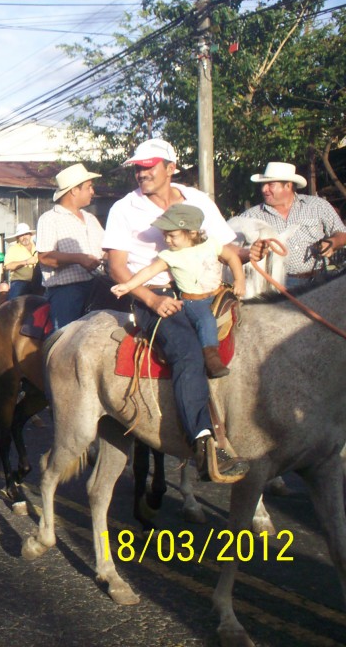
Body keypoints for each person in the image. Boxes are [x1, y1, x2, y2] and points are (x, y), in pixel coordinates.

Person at [102, 138, 249, 483]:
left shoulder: (198, 201)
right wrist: (152, 300)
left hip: (205, 291)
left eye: (149, 166)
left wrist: (248, 254)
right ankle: (203, 441)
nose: (141, 173)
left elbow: (225, 247)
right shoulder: (124, 209)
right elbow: (116, 268)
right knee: (187, 351)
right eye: (137, 168)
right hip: (154, 293)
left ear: (171, 168)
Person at [111, 204, 246, 378]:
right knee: (205, 320)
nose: (167, 240)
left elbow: (232, 257)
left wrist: (239, 279)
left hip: (218, 294)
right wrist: (128, 286)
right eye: (164, 235)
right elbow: (149, 271)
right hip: (193, 301)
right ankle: (211, 357)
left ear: (192, 232)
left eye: (172, 235)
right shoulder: (170, 255)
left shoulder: (211, 244)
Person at [237, 161, 346, 289]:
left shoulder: (317, 206)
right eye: (263, 184)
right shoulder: (251, 217)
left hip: (320, 280)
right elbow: (232, 250)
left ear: (288, 186)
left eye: (270, 184)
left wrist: (332, 242)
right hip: (277, 286)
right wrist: (250, 252)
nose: (264, 189)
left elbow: (342, 234)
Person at [36, 163, 105, 329]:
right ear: (74, 190)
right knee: (65, 340)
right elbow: (44, 257)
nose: (92, 192)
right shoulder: (50, 219)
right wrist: (79, 259)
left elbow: (106, 250)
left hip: (99, 284)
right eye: (89, 187)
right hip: (67, 291)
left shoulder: (91, 219)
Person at [3, 223, 38, 300]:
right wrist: (26, 262)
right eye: (21, 235)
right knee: (13, 303)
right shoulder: (13, 249)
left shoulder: (38, 247)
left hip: (38, 282)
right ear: (17, 238)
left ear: (30, 235)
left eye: (26, 234)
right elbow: (7, 266)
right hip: (20, 282)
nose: (24, 237)